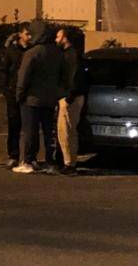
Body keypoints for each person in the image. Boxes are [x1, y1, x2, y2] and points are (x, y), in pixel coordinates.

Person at [13, 20, 66, 174]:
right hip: (50, 98)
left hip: (32, 98)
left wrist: (19, 95)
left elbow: (23, 77)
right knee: (49, 132)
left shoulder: (32, 53)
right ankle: (51, 162)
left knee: (30, 131)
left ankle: (29, 160)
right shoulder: (57, 53)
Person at [56, 27, 88, 176]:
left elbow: (73, 77)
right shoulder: (72, 54)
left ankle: (69, 163)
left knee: (66, 131)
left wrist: (68, 97)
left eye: (58, 37)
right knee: (68, 130)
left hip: (70, 97)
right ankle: (69, 161)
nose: (56, 39)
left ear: (65, 38)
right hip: (72, 96)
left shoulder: (71, 55)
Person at [0, 24, 31, 168]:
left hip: (27, 92)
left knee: (29, 125)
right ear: (20, 34)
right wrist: (6, 89)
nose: (29, 37)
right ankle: (13, 155)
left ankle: (28, 156)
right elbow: (4, 70)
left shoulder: (32, 50)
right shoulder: (12, 51)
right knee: (14, 124)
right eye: (27, 34)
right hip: (13, 92)